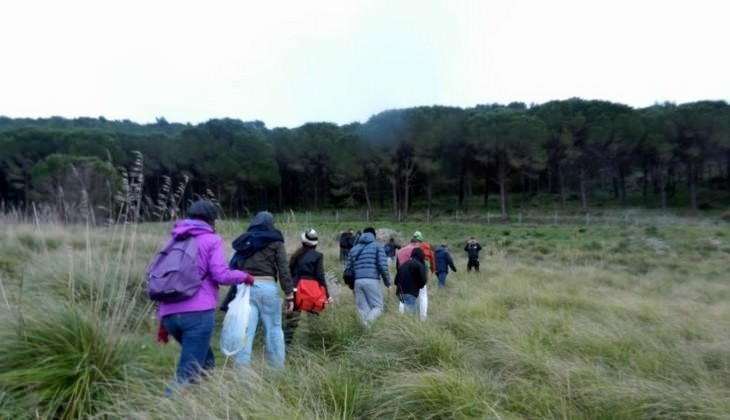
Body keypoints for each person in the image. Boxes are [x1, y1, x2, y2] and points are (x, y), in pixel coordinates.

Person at [158, 200, 253, 395]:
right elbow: (221, 275)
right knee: (188, 371)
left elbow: (164, 279)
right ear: (212, 220)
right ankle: (165, 406)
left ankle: (201, 403)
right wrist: (244, 276)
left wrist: (162, 322)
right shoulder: (211, 240)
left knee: (207, 361)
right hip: (197, 314)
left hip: (169, 314)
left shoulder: (173, 240)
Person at [230, 211, 294, 369]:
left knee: (245, 332)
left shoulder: (245, 240)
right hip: (267, 287)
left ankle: (241, 374)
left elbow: (234, 265)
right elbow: (283, 269)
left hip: (245, 288)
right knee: (274, 329)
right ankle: (278, 372)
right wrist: (289, 294)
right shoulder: (276, 241)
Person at [283, 228, 330, 346]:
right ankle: (315, 346)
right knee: (314, 321)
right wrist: (327, 295)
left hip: (295, 291)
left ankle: (284, 349)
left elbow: (289, 274)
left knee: (291, 323)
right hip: (311, 292)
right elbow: (320, 276)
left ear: (303, 240)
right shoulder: (318, 256)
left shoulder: (295, 255)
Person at [344, 227, 391, 327]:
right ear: (374, 235)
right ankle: (366, 325)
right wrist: (387, 283)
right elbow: (382, 266)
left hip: (357, 281)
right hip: (372, 280)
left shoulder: (354, 248)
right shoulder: (377, 247)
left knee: (362, 309)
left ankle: (364, 331)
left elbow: (348, 267)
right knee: (378, 307)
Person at [396, 231, 434, 321]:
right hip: (418, 277)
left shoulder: (401, 251)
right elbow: (427, 262)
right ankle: (423, 318)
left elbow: (398, 266)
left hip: (403, 278)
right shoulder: (421, 249)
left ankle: (401, 317)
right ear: (418, 242)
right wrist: (430, 272)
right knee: (423, 296)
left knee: (403, 298)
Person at [394, 247, 427, 313]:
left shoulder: (403, 265)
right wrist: (419, 286)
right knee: (410, 313)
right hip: (411, 292)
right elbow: (423, 281)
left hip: (401, 292)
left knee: (402, 311)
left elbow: (396, 281)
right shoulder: (419, 265)